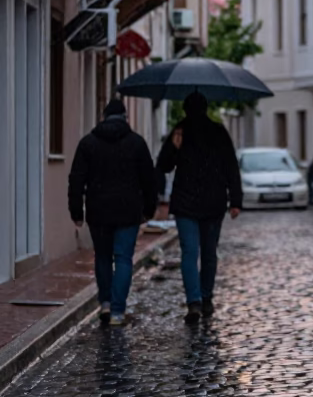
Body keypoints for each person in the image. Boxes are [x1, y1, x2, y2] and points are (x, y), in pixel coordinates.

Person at [68, 99, 157, 326]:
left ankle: (105, 303)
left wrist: (76, 211)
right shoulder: (137, 143)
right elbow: (149, 180)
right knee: (124, 258)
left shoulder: (88, 144)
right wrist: (149, 209)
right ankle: (118, 311)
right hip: (128, 210)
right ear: (125, 117)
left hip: (99, 211)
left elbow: (76, 179)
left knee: (103, 257)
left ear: (103, 116)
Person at [157, 92, 242, 324]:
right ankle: (205, 298)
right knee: (208, 253)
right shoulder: (218, 131)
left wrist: (174, 148)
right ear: (206, 108)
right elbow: (231, 167)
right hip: (213, 201)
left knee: (190, 252)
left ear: (185, 109)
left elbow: (163, 165)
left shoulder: (179, 131)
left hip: (186, 202)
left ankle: (194, 301)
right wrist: (236, 200)